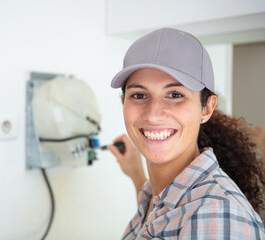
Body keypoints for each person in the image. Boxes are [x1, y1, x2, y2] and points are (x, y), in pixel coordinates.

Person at [107, 28, 265, 239]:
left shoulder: (215, 215)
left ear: (207, 108)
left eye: (174, 94)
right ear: (123, 102)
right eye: (139, 95)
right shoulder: (152, 198)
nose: (153, 115)